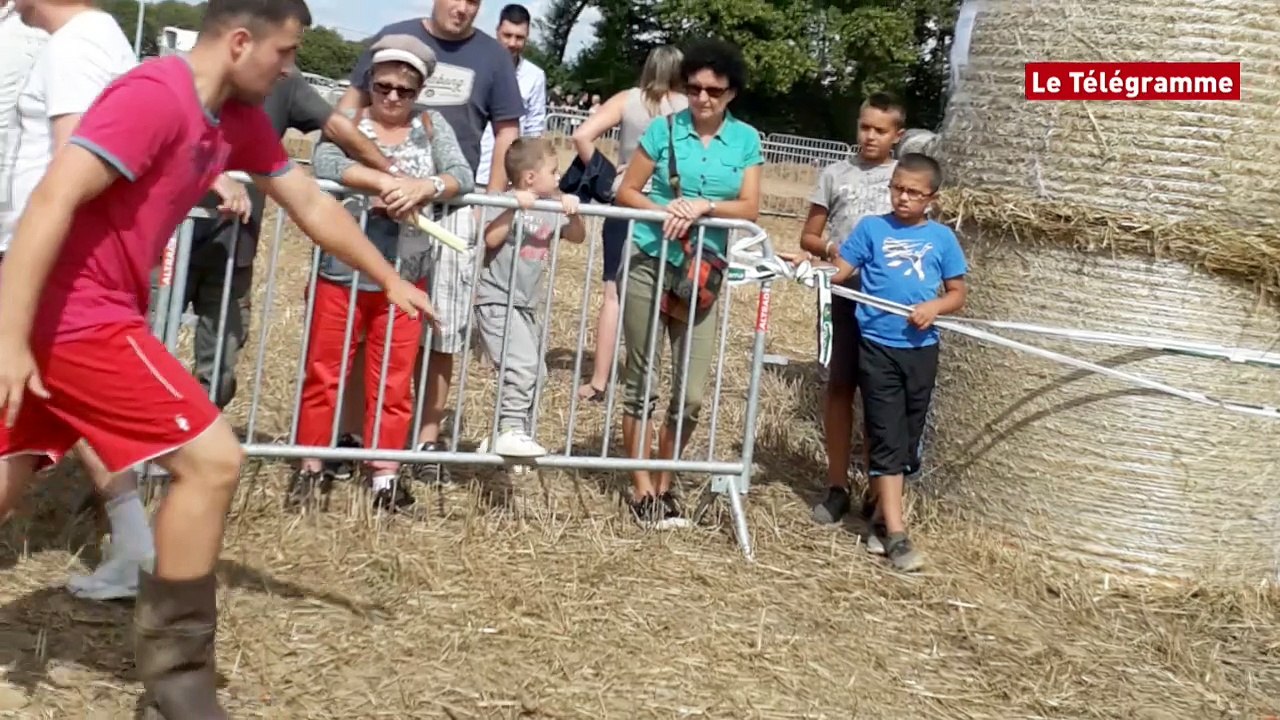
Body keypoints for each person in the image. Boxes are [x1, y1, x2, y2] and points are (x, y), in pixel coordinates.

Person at [0, 1, 435, 716]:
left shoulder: (231, 119)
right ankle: (178, 689)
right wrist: (12, 339)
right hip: (77, 314)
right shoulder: (152, 97)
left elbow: (310, 205)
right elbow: (51, 200)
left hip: (80, 313)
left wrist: (387, 278)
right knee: (212, 460)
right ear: (240, 42)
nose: (292, 68)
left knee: (7, 470)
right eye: (287, 53)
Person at [1, 0, 154, 602]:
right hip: (36, 251)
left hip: (34, 255)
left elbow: (76, 162)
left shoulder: (76, 44)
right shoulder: (77, 39)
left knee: (20, 418)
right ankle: (138, 545)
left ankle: (142, 547)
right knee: (39, 417)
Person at [336, 0, 524, 476]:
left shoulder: (493, 56)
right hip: (379, 207)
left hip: (454, 206)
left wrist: (494, 208)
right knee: (368, 318)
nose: (463, 8)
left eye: (474, 1)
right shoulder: (392, 37)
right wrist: (351, 176)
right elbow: (347, 111)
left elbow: (507, 134)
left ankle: (425, 443)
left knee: (443, 331)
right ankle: (353, 436)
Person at [301, 33, 473, 513]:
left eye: (405, 89)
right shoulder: (351, 122)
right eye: (384, 87)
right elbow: (326, 161)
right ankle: (310, 467)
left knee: (395, 381)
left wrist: (426, 186)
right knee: (324, 372)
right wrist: (380, 181)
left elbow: (463, 173)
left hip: (408, 273)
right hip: (343, 271)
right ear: (370, 84)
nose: (394, 97)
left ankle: (385, 477)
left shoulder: (433, 127)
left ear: (420, 91)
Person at [179, 64, 393, 411]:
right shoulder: (183, 76)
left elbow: (337, 129)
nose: (289, 62)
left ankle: (187, 445)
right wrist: (212, 174)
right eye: (285, 48)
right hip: (169, 246)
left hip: (234, 249)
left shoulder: (284, 82)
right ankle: (139, 453)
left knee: (220, 368)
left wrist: (391, 174)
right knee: (145, 351)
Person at [614, 39, 762, 528]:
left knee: (691, 394)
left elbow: (750, 207)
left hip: (704, 272)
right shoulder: (663, 130)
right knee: (641, 383)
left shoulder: (746, 141)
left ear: (731, 93)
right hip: (650, 260)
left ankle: (666, 481)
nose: (702, 98)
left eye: (714, 91)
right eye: (694, 88)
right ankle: (642, 492)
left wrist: (705, 206)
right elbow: (627, 190)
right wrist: (667, 211)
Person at [825, 153, 968, 573]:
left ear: (932, 198)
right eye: (897, 189)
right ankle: (899, 535)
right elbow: (840, 271)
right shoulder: (872, 229)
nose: (902, 198)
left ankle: (879, 518)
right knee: (885, 432)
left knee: (908, 439)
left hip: (922, 349)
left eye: (913, 192)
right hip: (877, 346)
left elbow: (958, 293)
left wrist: (935, 306)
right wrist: (809, 269)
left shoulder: (942, 239)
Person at [797, 92, 905, 536]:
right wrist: (831, 250)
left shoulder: (905, 180)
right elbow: (808, 234)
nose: (869, 136)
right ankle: (837, 484)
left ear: (897, 135)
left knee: (882, 399)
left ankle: (880, 490)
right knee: (841, 387)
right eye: (864, 127)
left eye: (879, 130)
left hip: (890, 304)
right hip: (844, 295)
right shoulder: (835, 174)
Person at [570, 45, 686, 403]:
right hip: (669, 207)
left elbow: (581, 135)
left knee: (613, 293)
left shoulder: (627, 99)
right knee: (669, 295)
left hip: (626, 200)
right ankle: (655, 381)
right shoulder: (688, 107)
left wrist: (606, 177)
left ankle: (600, 381)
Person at [474, 137, 584, 457]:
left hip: (525, 305)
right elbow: (492, 238)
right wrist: (512, 208)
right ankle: (511, 427)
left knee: (538, 371)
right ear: (530, 178)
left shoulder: (551, 205)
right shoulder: (504, 200)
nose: (559, 177)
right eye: (554, 171)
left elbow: (577, 237)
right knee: (523, 365)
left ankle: (504, 433)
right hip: (496, 300)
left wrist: (573, 212)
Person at [475, 3, 547, 188]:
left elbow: (534, 130)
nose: (512, 43)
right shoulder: (476, 66)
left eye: (519, 37)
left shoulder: (535, 76)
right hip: (471, 170)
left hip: (508, 179)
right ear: (497, 31)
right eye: (507, 35)